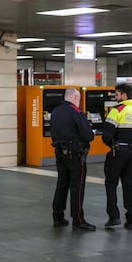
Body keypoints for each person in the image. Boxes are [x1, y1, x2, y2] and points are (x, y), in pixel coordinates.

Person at [102, 84, 132, 230]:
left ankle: (114, 216)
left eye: (117, 94)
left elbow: (106, 136)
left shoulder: (116, 111)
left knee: (111, 183)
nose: (115, 97)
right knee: (130, 185)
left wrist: (114, 143)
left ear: (123, 95)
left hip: (118, 152)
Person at [50, 87, 96, 231]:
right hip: (75, 154)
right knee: (77, 186)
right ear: (75, 98)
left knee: (62, 184)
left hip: (59, 152)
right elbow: (88, 135)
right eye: (79, 99)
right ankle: (78, 219)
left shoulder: (56, 111)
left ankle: (58, 216)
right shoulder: (76, 112)